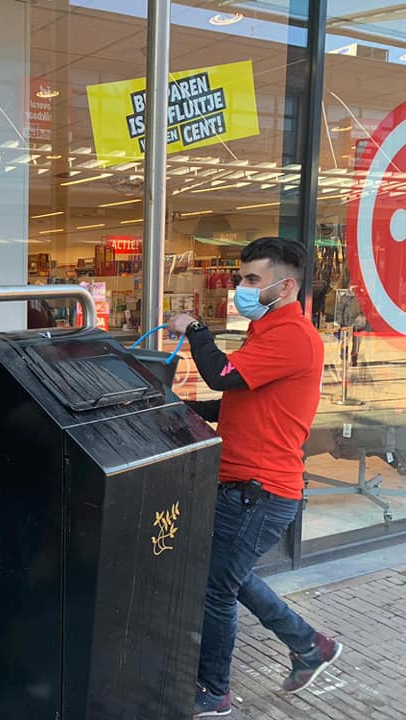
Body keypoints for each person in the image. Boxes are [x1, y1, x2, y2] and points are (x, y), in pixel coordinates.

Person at [167, 237, 343, 718]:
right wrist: (181, 410)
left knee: (215, 588)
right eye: (240, 278)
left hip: (260, 492)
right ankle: (311, 646)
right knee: (232, 579)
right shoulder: (266, 331)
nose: (240, 288)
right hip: (246, 487)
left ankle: (214, 691)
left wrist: (195, 328)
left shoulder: (292, 336)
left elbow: (222, 374)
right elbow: (240, 399)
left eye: (251, 280)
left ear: (284, 286)